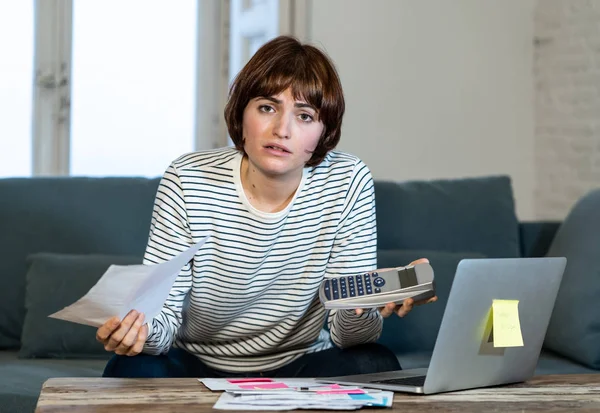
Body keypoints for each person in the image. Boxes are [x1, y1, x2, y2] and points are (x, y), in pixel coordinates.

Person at [97, 35, 437, 378]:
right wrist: (137, 333)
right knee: (130, 368)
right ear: (241, 114)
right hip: (195, 363)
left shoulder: (347, 180)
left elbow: (347, 336)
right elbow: (163, 314)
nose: (281, 129)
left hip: (301, 362)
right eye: (267, 108)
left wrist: (360, 309)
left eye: (305, 116)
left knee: (373, 362)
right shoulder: (188, 178)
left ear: (324, 132)